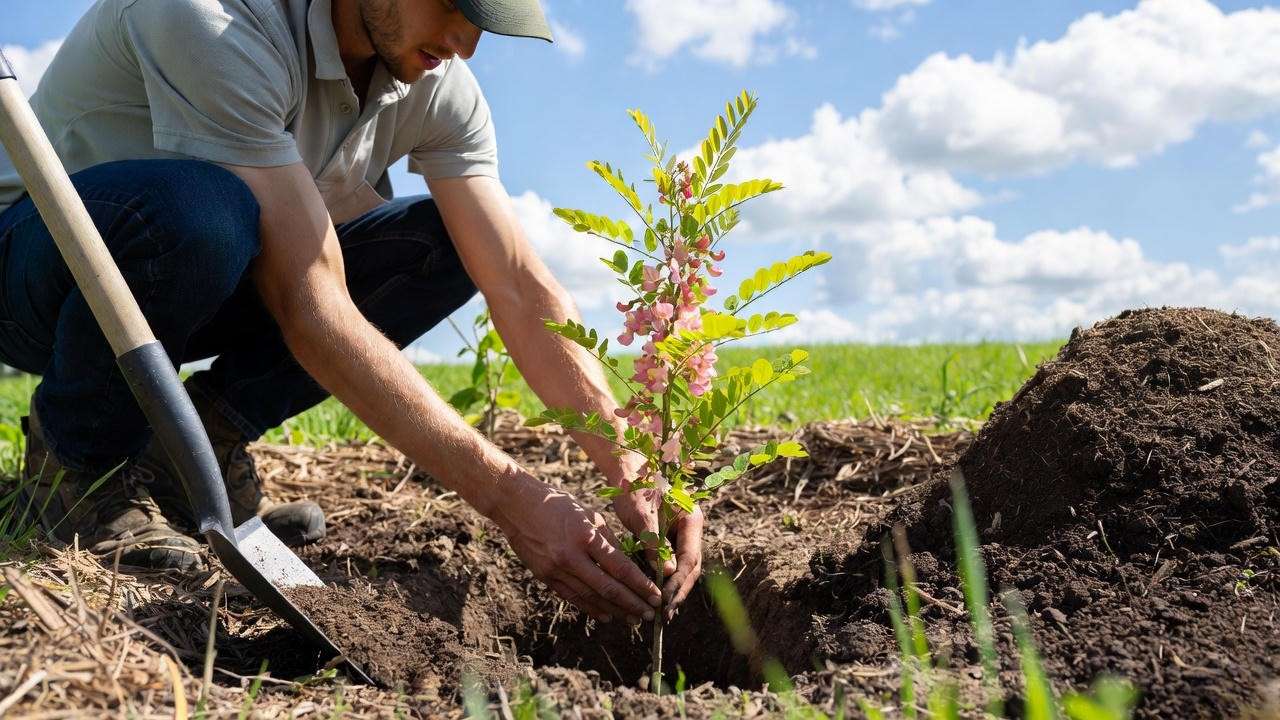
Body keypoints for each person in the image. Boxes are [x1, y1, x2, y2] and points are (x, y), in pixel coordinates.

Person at [0, 0, 703, 626]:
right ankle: (78, 464)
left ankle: (189, 451)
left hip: (197, 281)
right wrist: (510, 499)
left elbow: (517, 283)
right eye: (454, 7)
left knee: (441, 245)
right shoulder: (213, 16)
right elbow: (311, 306)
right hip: (43, 271)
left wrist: (632, 466)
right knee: (202, 212)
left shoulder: (433, 81)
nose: (464, 41)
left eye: (487, 23)